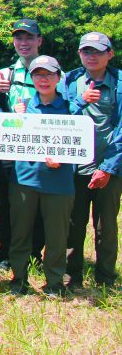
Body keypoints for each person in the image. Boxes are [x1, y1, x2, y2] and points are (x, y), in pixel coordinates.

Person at [8, 56, 74, 297]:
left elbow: (82, 144)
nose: (43, 79)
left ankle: (55, 282)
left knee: (57, 236)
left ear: (58, 77)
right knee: (20, 232)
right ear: (31, 78)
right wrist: (16, 120)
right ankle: (18, 279)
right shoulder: (22, 107)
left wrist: (63, 158)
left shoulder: (71, 108)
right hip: (25, 178)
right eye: (37, 74)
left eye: (48, 74)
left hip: (59, 182)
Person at [63, 32, 120, 289]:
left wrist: (107, 168)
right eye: (86, 51)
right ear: (79, 54)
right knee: (73, 224)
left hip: (109, 169)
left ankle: (106, 277)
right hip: (75, 168)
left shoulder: (119, 83)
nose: (92, 56)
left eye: (98, 51)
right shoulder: (70, 80)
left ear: (110, 54)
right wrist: (80, 101)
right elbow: (60, 118)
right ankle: (71, 276)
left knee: (105, 227)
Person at [0, 18, 47, 271]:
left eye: (28, 38)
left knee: (38, 201)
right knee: (8, 202)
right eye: (18, 38)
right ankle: (5, 253)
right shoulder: (4, 74)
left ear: (39, 41)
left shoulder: (52, 71)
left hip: (41, 149)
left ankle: (34, 252)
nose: (23, 43)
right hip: (9, 150)